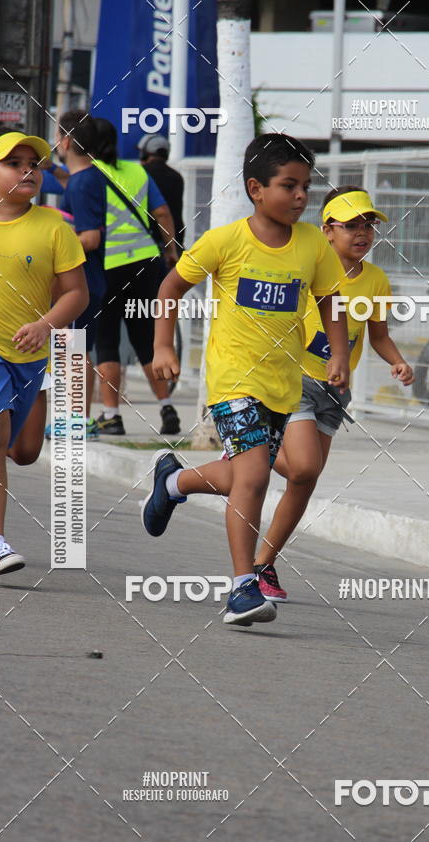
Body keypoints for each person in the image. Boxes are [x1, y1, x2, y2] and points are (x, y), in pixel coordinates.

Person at [141, 133, 350, 627]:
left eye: (306, 186)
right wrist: (163, 346)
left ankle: (172, 481)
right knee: (254, 477)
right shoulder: (226, 241)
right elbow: (171, 286)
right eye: (289, 185)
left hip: (284, 385)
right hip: (234, 381)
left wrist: (339, 354)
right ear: (256, 188)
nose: (301, 196)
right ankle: (242, 586)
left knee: (242, 477)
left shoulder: (312, 245)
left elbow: (330, 301)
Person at [253, 185, 415, 601]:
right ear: (327, 231)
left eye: (369, 225)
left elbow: (379, 335)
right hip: (295, 381)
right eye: (351, 225)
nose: (362, 233)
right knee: (304, 467)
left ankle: (263, 565)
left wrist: (397, 361)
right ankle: (256, 446)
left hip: (336, 393)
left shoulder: (376, 280)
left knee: (305, 479)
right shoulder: (307, 268)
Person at [0, 130, 88, 575]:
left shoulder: (54, 227)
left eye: (34, 164)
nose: (28, 170)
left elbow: (77, 294)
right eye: (14, 163)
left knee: (23, 451)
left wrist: (45, 325)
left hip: (29, 355)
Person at [91, 118, 181, 436]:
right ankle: (167, 407)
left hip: (108, 265)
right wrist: (170, 250)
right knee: (145, 337)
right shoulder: (137, 171)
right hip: (144, 262)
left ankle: (111, 416)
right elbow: (162, 212)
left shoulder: (89, 175)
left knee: (107, 341)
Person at [52, 109, 108, 432]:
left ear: (66, 141)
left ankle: (77, 420)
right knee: (75, 348)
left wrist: (54, 244)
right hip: (90, 280)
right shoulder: (86, 178)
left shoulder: (82, 184)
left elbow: (90, 237)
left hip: (82, 282)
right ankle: (74, 418)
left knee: (75, 350)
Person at [137, 133, 185, 256]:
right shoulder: (176, 177)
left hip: (146, 245)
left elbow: (161, 213)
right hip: (174, 243)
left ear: (145, 153)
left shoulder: (141, 174)